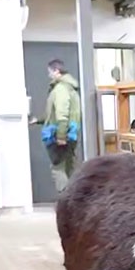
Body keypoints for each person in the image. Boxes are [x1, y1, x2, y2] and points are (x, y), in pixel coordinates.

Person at [36, 59, 81, 192]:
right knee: (69, 168)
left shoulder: (61, 89)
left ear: (56, 71)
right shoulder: (71, 88)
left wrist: (61, 136)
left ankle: (65, 200)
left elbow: (62, 114)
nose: (49, 75)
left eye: (50, 72)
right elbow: (55, 113)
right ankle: (75, 201)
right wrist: (39, 120)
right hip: (70, 134)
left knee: (58, 168)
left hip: (60, 134)